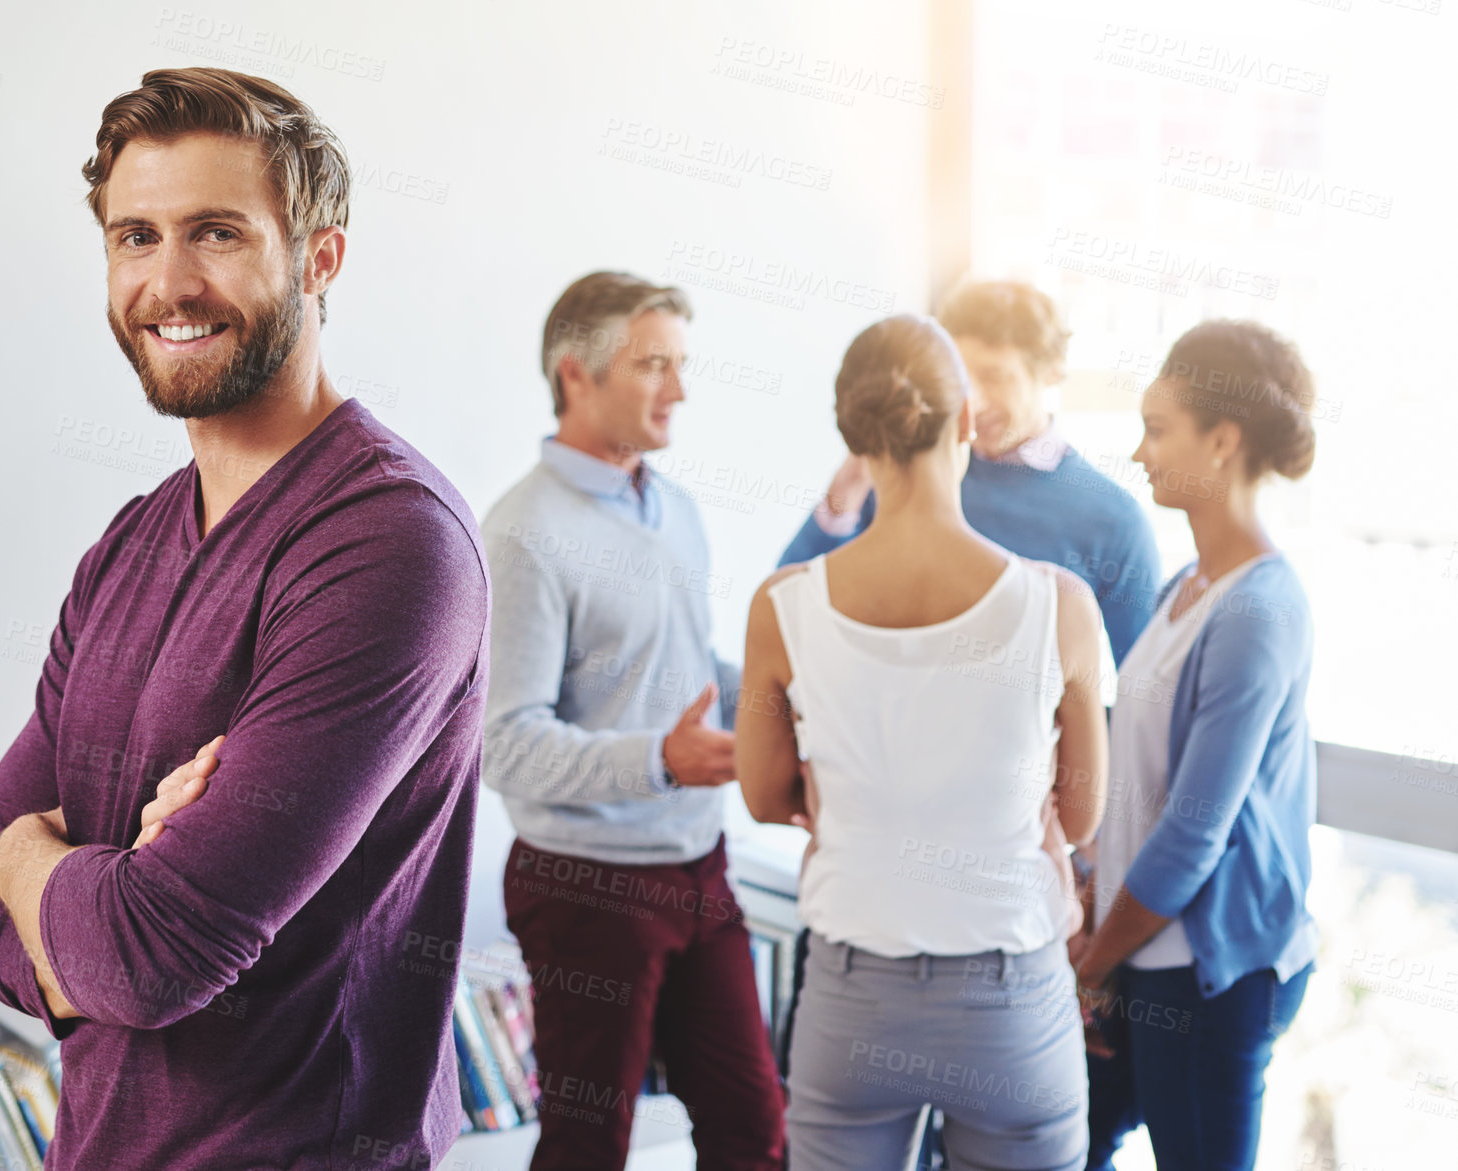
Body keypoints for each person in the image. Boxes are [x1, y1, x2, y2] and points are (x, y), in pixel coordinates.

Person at [0, 68, 490, 1171]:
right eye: (135, 237)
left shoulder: (387, 544)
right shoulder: (129, 543)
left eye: (218, 234)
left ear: (319, 258)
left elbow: (151, 958)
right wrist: (77, 901)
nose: (170, 282)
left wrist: (35, 860)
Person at [738, 314, 1113, 1171]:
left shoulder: (783, 603)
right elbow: (1083, 812)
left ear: (850, 434)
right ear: (968, 423)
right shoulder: (1060, 605)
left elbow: (762, 796)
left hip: (854, 994)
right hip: (1009, 993)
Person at [480, 271, 786, 1170]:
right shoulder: (522, 532)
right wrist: (662, 758)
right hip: (588, 892)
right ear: (576, 373)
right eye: (655, 365)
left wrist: (785, 697)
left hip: (700, 869)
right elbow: (507, 743)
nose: (678, 390)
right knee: (587, 1150)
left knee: (753, 1129)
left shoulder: (675, 508)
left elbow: (687, 674)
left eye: (679, 365)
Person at [1076, 320, 1320, 1171]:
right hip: (1141, 954)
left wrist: (1094, 960)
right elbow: (1133, 775)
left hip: (1202, 975)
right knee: (1072, 1139)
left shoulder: (1255, 611)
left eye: (1156, 428)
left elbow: (1192, 830)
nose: (1139, 453)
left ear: (1221, 440)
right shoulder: (1185, 587)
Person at [779, 280, 1160, 668]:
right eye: (960, 377)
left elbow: (1139, 694)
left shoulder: (1113, 520)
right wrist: (845, 491)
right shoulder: (907, 476)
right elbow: (793, 605)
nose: (972, 401)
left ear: (1051, 373)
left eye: (994, 376)